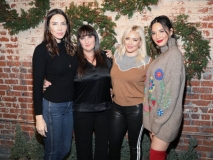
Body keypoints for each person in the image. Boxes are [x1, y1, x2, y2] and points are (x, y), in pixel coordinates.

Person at [44, 25, 112, 160]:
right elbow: (59, 74)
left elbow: (116, 79)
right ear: (78, 41)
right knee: (83, 147)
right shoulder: (73, 59)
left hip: (104, 109)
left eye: (89, 36)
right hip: (81, 110)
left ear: (95, 38)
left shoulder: (107, 57)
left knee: (103, 147)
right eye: (82, 38)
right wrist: (44, 80)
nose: (86, 41)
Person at [32, 9, 78, 160]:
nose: (59, 28)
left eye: (63, 24)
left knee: (65, 149)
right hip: (53, 107)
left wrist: (106, 54)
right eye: (55, 24)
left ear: (67, 26)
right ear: (48, 27)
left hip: (69, 106)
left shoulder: (70, 48)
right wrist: (38, 117)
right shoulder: (41, 50)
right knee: (52, 152)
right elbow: (37, 85)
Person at [143, 15, 185, 160]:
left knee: (155, 157)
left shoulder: (173, 55)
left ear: (171, 31)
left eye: (162, 31)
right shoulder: (163, 56)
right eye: (153, 33)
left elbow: (170, 95)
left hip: (166, 121)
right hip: (158, 120)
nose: (157, 36)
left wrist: (157, 124)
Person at [109, 25, 151, 160]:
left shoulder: (148, 62)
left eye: (135, 39)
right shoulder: (115, 56)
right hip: (116, 107)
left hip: (137, 109)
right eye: (127, 38)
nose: (130, 43)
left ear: (140, 43)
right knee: (114, 143)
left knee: (134, 145)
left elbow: (153, 89)